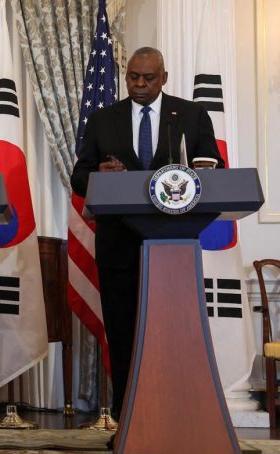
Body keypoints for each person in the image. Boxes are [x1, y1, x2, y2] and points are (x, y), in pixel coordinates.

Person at [71, 47, 222, 422]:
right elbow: (79, 174)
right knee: (123, 339)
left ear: (164, 77)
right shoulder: (103, 119)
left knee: (174, 335)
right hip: (118, 247)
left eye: (148, 78)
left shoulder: (190, 115)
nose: (139, 84)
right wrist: (99, 175)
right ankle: (127, 422)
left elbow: (214, 169)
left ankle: (180, 417)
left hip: (174, 248)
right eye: (133, 77)